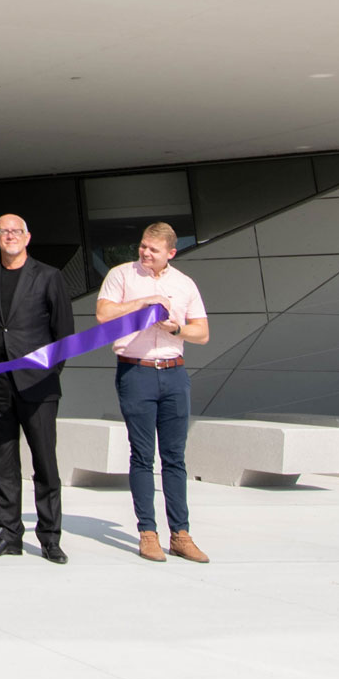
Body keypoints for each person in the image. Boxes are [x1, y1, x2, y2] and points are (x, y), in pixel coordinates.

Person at [97, 222, 211, 563]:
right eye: (143, 246)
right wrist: (145, 302)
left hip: (174, 373)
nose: (145, 253)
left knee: (175, 458)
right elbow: (103, 314)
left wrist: (178, 328)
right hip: (137, 371)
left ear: (171, 254)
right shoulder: (121, 275)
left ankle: (181, 533)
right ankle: (148, 532)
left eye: (154, 249)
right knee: (142, 455)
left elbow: (202, 332)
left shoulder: (184, 284)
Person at [0, 213, 74, 564]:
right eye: (4, 231)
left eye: (17, 231)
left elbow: (64, 334)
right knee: (2, 461)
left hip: (39, 386)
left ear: (27, 237)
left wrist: (49, 373)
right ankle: (9, 533)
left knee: (45, 462)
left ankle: (49, 537)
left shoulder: (49, 276)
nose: (10, 236)